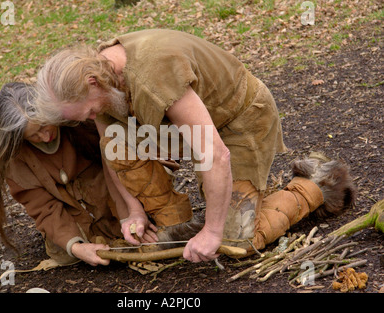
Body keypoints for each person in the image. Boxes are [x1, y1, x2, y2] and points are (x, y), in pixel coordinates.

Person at [31, 29, 356, 262]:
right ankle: (174, 220)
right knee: (118, 141)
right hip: (188, 129)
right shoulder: (103, 81)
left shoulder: (151, 78)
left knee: (237, 241)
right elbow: (110, 148)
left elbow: (215, 153)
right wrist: (133, 211)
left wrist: (213, 232)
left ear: (92, 83)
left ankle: (315, 183)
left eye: (88, 110)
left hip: (239, 121)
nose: (90, 117)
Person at [0, 82, 132, 266]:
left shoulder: (79, 118)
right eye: (34, 136)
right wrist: (77, 247)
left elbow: (121, 163)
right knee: (65, 255)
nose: (45, 137)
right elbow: (43, 207)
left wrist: (130, 212)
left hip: (111, 200)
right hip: (72, 221)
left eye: (44, 125)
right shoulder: (15, 159)